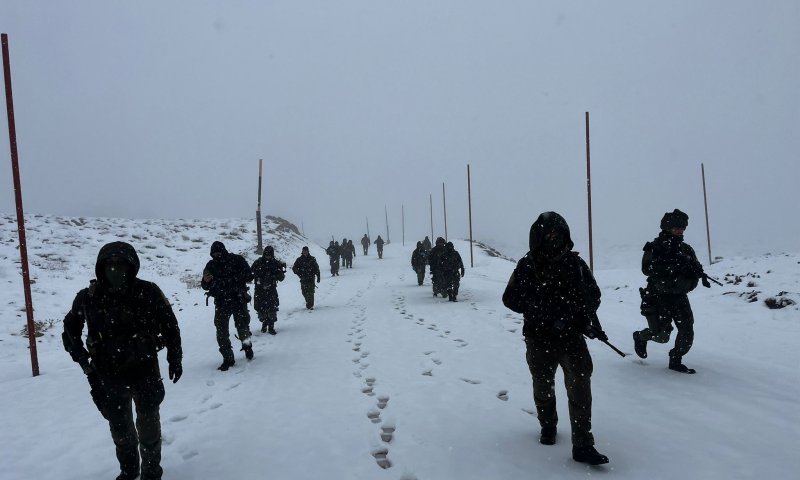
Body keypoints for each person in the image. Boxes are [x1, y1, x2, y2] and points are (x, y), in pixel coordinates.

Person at [62, 241, 182, 480]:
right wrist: (83, 361)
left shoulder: (148, 291)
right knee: (120, 429)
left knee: (148, 427)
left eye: (121, 264)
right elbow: (70, 329)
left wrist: (174, 357)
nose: (115, 269)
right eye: (110, 264)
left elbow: (170, 324)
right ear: (101, 267)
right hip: (109, 375)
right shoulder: (88, 297)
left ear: (131, 266)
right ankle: (128, 471)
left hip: (144, 369)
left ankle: (151, 472)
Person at [502, 212, 609, 465]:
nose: (554, 238)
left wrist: (577, 315)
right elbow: (510, 298)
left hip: (572, 336)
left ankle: (583, 443)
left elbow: (593, 295)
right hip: (539, 337)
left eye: (558, 234)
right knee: (543, 385)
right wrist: (543, 310)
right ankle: (548, 425)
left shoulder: (576, 265)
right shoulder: (528, 265)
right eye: (549, 234)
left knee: (580, 386)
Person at [633, 209, 709, 374]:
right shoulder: (654, 247)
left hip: (679, 296)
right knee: (661, 336)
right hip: (659, 296)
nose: (680, 230)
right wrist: (668, 266)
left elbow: (696, 268)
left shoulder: (686, 249)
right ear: (667, 227)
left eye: (682, 228)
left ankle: (675, 359)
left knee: (687, 330)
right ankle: (640, 337)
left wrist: (693, 271)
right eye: (676, 227)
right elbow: (646, 269)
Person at [202, 241, 254, 371]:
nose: (216, 255)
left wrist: (231, 280)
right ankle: (228, 358)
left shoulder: (237, 260)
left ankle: (247, 346)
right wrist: (206, 281)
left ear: (223, 250)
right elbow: (204, 285)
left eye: (218, 252)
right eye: (214, 253)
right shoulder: (211, 265)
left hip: (238, 299)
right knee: (221, 332)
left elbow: (249, 275)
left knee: (243, 328)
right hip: (221, 302)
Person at [251, 246, 286, 335]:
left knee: (272, 309)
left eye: (270, 255)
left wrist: (278, 274)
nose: (268, 256)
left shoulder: (276, 263)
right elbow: (250, 273)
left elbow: (281, 278)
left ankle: (271, 326)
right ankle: (264, 323)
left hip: (271, 289)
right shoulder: (258, 262)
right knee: (260, 309)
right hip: (259, 290)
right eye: (266, 254)